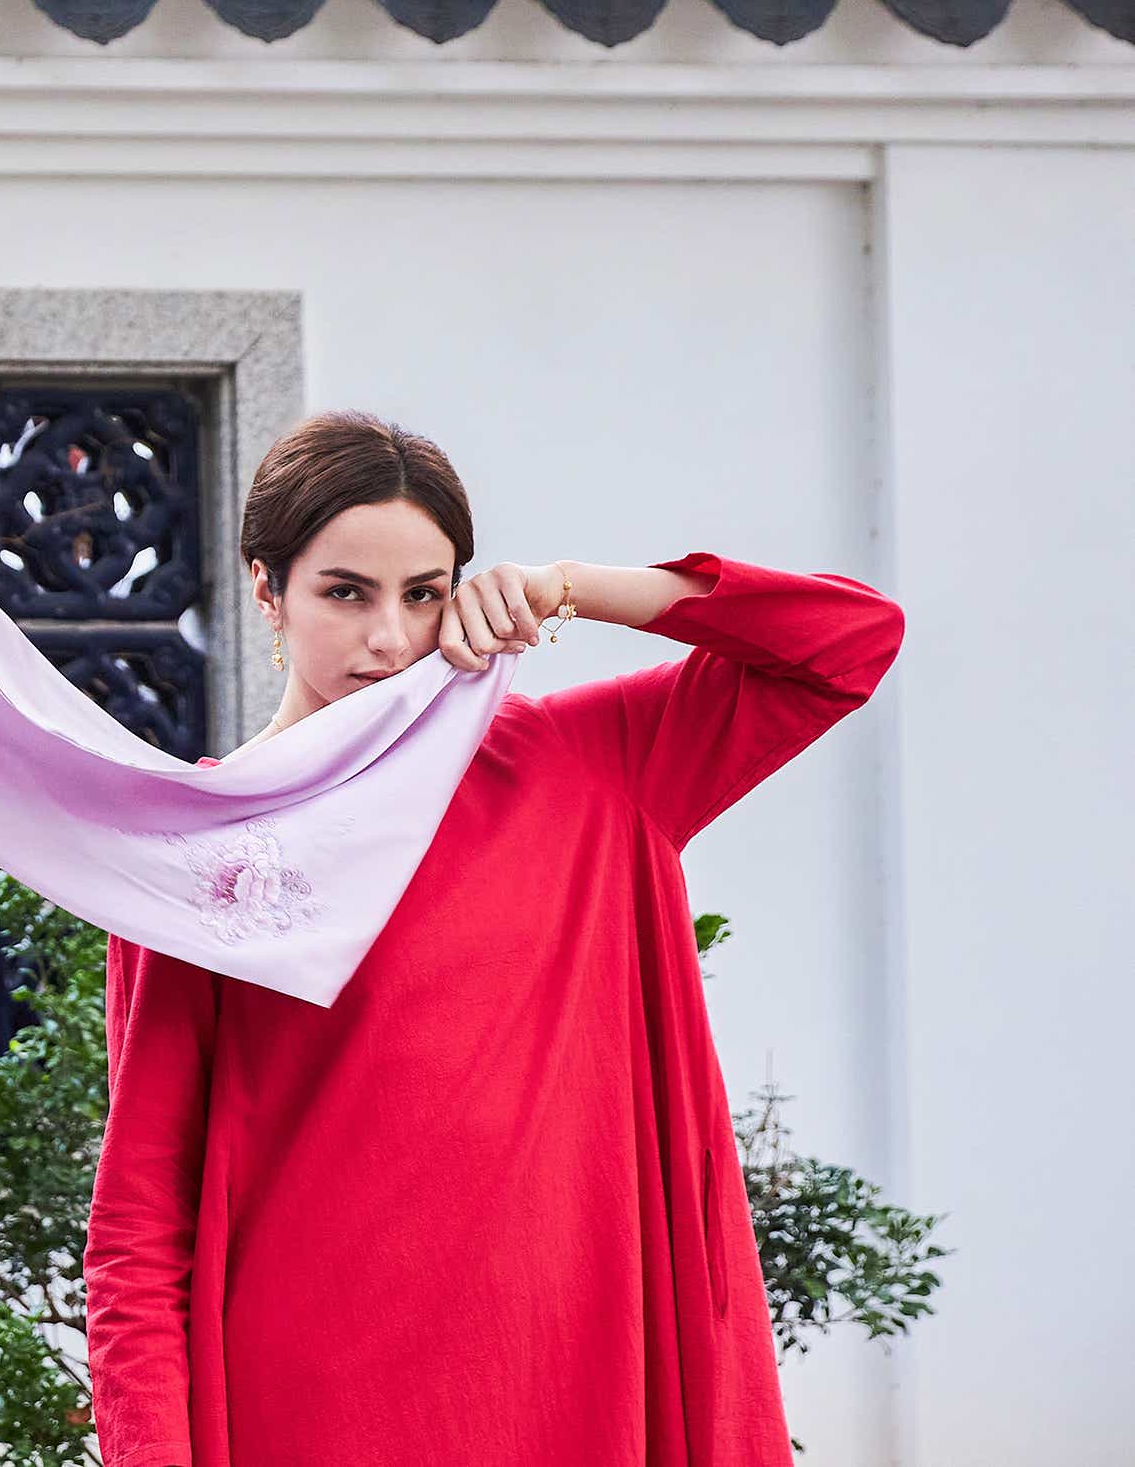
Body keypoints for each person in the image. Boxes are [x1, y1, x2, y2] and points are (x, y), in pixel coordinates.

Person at [82, 410, 907, 1467]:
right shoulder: (203, 847)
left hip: (576, 1391)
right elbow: (142, 1227)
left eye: (424, 594)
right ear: (265, 588)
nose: (389, 638)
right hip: (311, 1407)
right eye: (345, 591)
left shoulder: (587, 766)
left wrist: (571, 586)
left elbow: (845, 645)